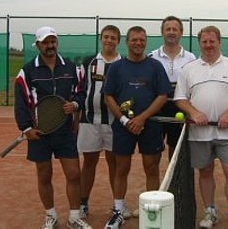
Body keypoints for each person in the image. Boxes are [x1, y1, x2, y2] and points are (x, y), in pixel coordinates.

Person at [174, 25, 228, 229]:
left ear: (219, 42)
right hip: (199, 133)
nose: (208, 45)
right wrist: (194, 113)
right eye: (204, 42)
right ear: (199, 43)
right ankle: (210, 212)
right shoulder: (188, 69)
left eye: (212, 41)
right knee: (205, 172)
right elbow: (180, 99)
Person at [14, 26, 91, 229]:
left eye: (53, 41)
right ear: (38, 45)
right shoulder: (27, 71)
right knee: (44, 175)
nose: (50, 46)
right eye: (46, 42)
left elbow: (81, 92)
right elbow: (21, 101)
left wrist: (74, 105)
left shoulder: (72, 68)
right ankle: (51, 215)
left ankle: (74, 217)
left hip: (65, 131)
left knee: (74, 174)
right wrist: (26, 128)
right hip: (40, 133)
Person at [102, 26, 171, 229]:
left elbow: (162, 96)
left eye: (142, 40)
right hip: (123, 128)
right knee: (121, 168)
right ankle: (117, 211)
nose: (138, 43)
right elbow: (108, 97)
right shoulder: (116, 67)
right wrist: (125, 121)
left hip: (150, 127)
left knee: (151, 168)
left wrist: (141, 118)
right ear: (127, 42)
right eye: (134, 40)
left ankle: (152, 211)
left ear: (146, 41)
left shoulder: (155, 66)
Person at [77, 25, 131, 219]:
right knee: (89, 162)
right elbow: (81, 89)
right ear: (101, 39)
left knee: (114, 163)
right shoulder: (89, 62)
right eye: (106, 37)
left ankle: (118, 205)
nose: (109, 40)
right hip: (89, 120)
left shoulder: (124, 64)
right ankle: (83, 203)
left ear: (118, 41)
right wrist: (76, 115)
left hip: (114, 122)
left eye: (113, 38)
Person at [148, 16, 196, 159]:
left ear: (181, 33)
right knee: (153, 152)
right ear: (162, 32)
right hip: (157, 108)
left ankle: (173, 181)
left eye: (175, 29)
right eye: (168, 29)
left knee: (175, 152)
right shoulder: (151, 57)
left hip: (180, 109)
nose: (171, 32)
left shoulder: (191, 58)